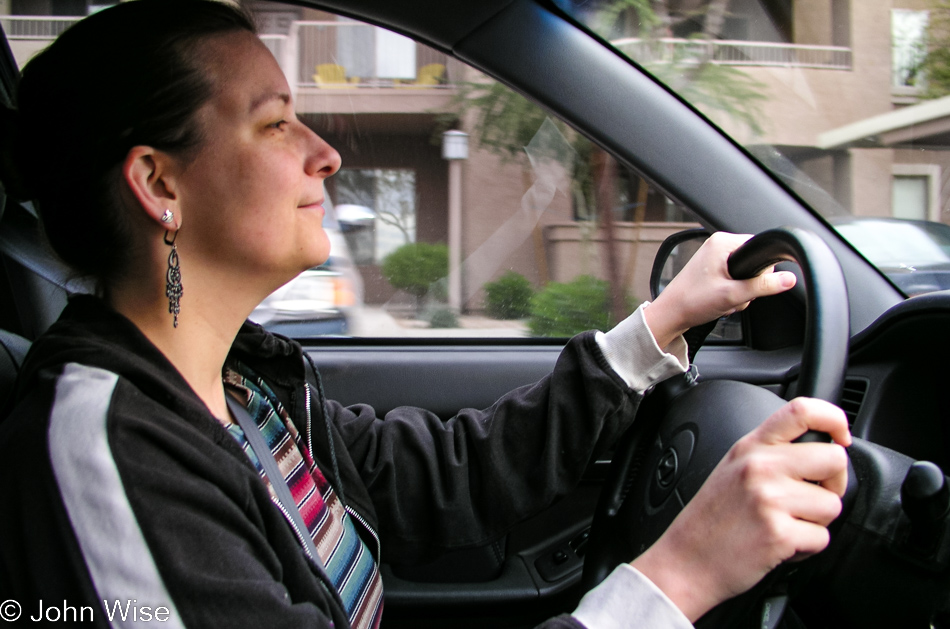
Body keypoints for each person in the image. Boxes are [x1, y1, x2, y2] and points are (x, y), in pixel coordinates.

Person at [0, 1, 850, 628]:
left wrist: (657, 325)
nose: (324, 154)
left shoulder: (244, 388)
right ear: (159, 184)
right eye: (275, 124)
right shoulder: (102, 445)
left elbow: (450, 475)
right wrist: (679, 577)